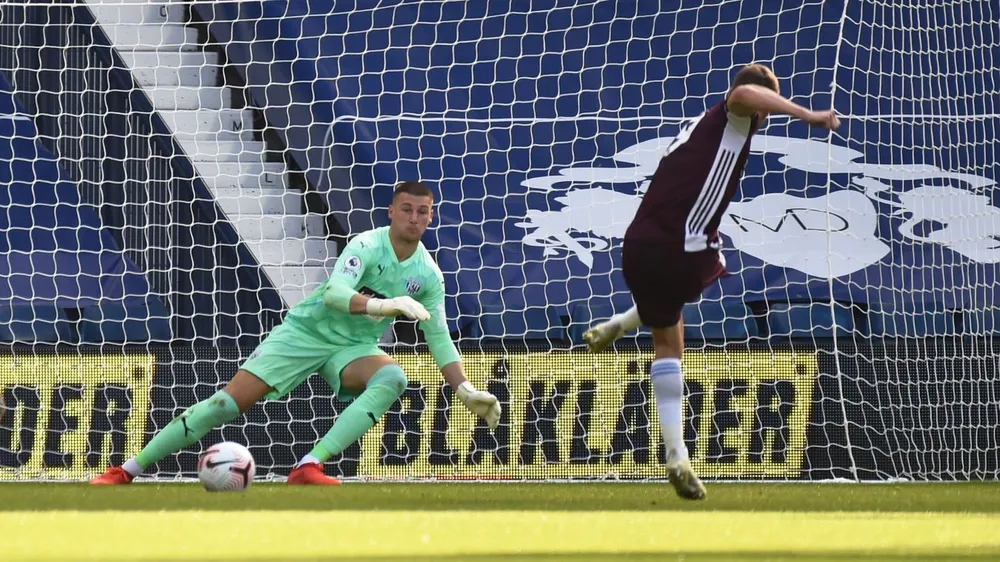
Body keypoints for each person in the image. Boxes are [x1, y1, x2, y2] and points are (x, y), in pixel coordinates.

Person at [91, 181, 501, 485]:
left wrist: (463, 388)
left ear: (431, 217)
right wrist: (384, 305)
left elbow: (439, 335)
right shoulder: (366, 245)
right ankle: (126, 471)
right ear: (391, 212)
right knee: (224, 405)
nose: (415, 218)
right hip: (305, 333)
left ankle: (309, 465)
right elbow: (337, 294)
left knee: (393, 376)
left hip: (354, 347)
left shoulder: (428, 274)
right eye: (407, 209)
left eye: (423, 211)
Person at [582, 64, 841, 499]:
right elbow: (743, 94)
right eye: (769, 111)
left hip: (639, 244)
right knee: (710, 266)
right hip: (682, 246)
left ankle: (673, 443)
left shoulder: (701, 128)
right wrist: (806, 116)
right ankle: (628, 335)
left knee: (668, 328)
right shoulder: (732, 113)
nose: (766, 119)